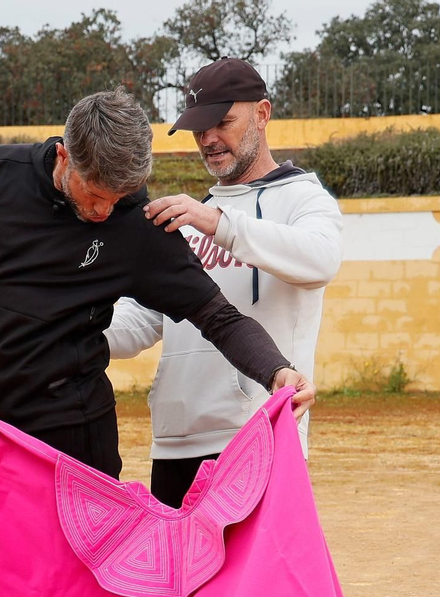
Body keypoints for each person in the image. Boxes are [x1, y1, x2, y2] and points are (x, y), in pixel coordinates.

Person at [0, 88, 315, 479]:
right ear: (64, 156)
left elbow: (217, 315)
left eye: (119, 197)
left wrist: (277, 371)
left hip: (80, 431)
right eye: (95, 195)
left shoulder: (136, 225)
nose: (104, 210)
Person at [108, 59, 344, 507]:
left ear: (262, 114)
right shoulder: (193, 216)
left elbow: (321, 260)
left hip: (259, 437)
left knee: (253, 581)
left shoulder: (303, 198)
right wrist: (72, 327)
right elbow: (145, 319)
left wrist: (220, 224)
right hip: (175, 442)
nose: (209, 139)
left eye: (223, 122)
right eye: (199, 128)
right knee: (181, 580)